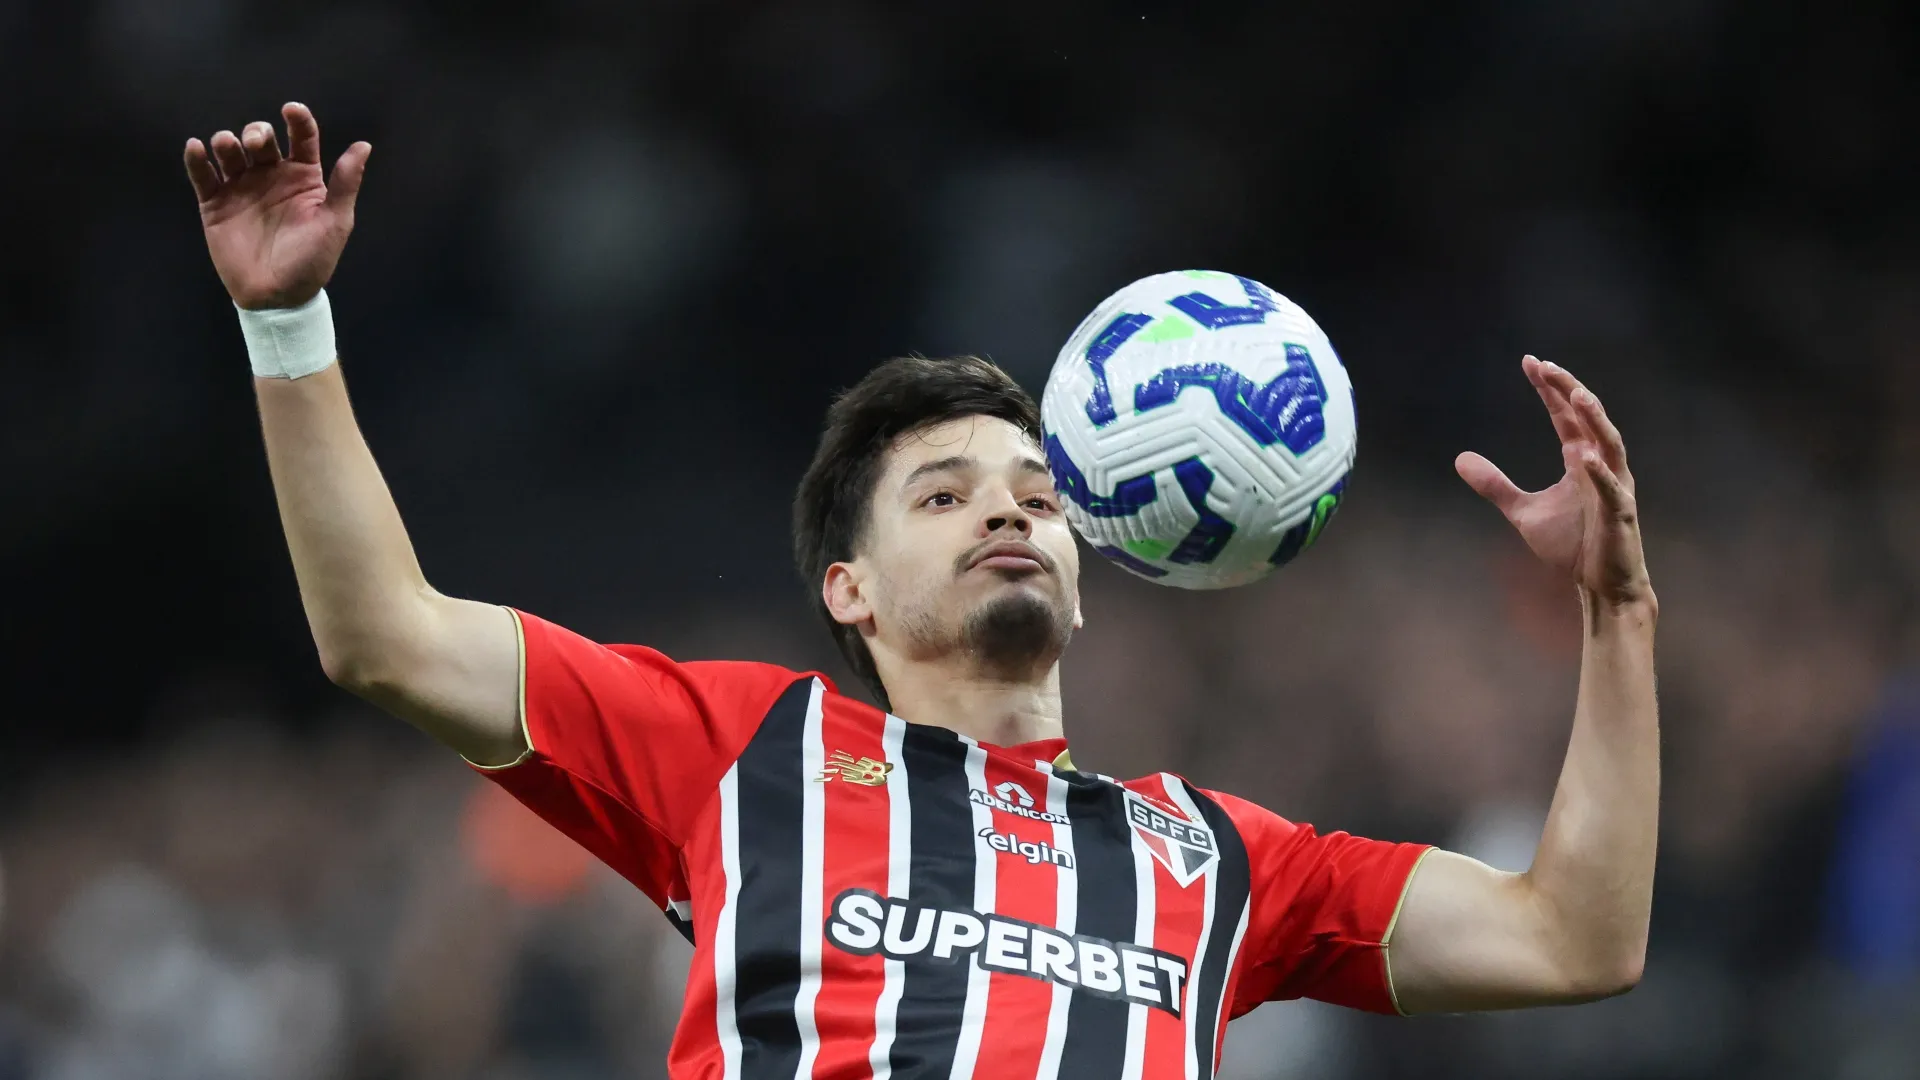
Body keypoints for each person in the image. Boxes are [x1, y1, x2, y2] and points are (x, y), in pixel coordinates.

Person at [182, 104, 1660, 1079]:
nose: (1006, 509)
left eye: (1034, 492)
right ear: (852, 590)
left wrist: (1619, 617)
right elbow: (380, 634)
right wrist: (290, 325)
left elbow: (1574, 941)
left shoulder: (1218, 860)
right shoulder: (746, 753)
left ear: (1091, 573)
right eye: (942, 497)